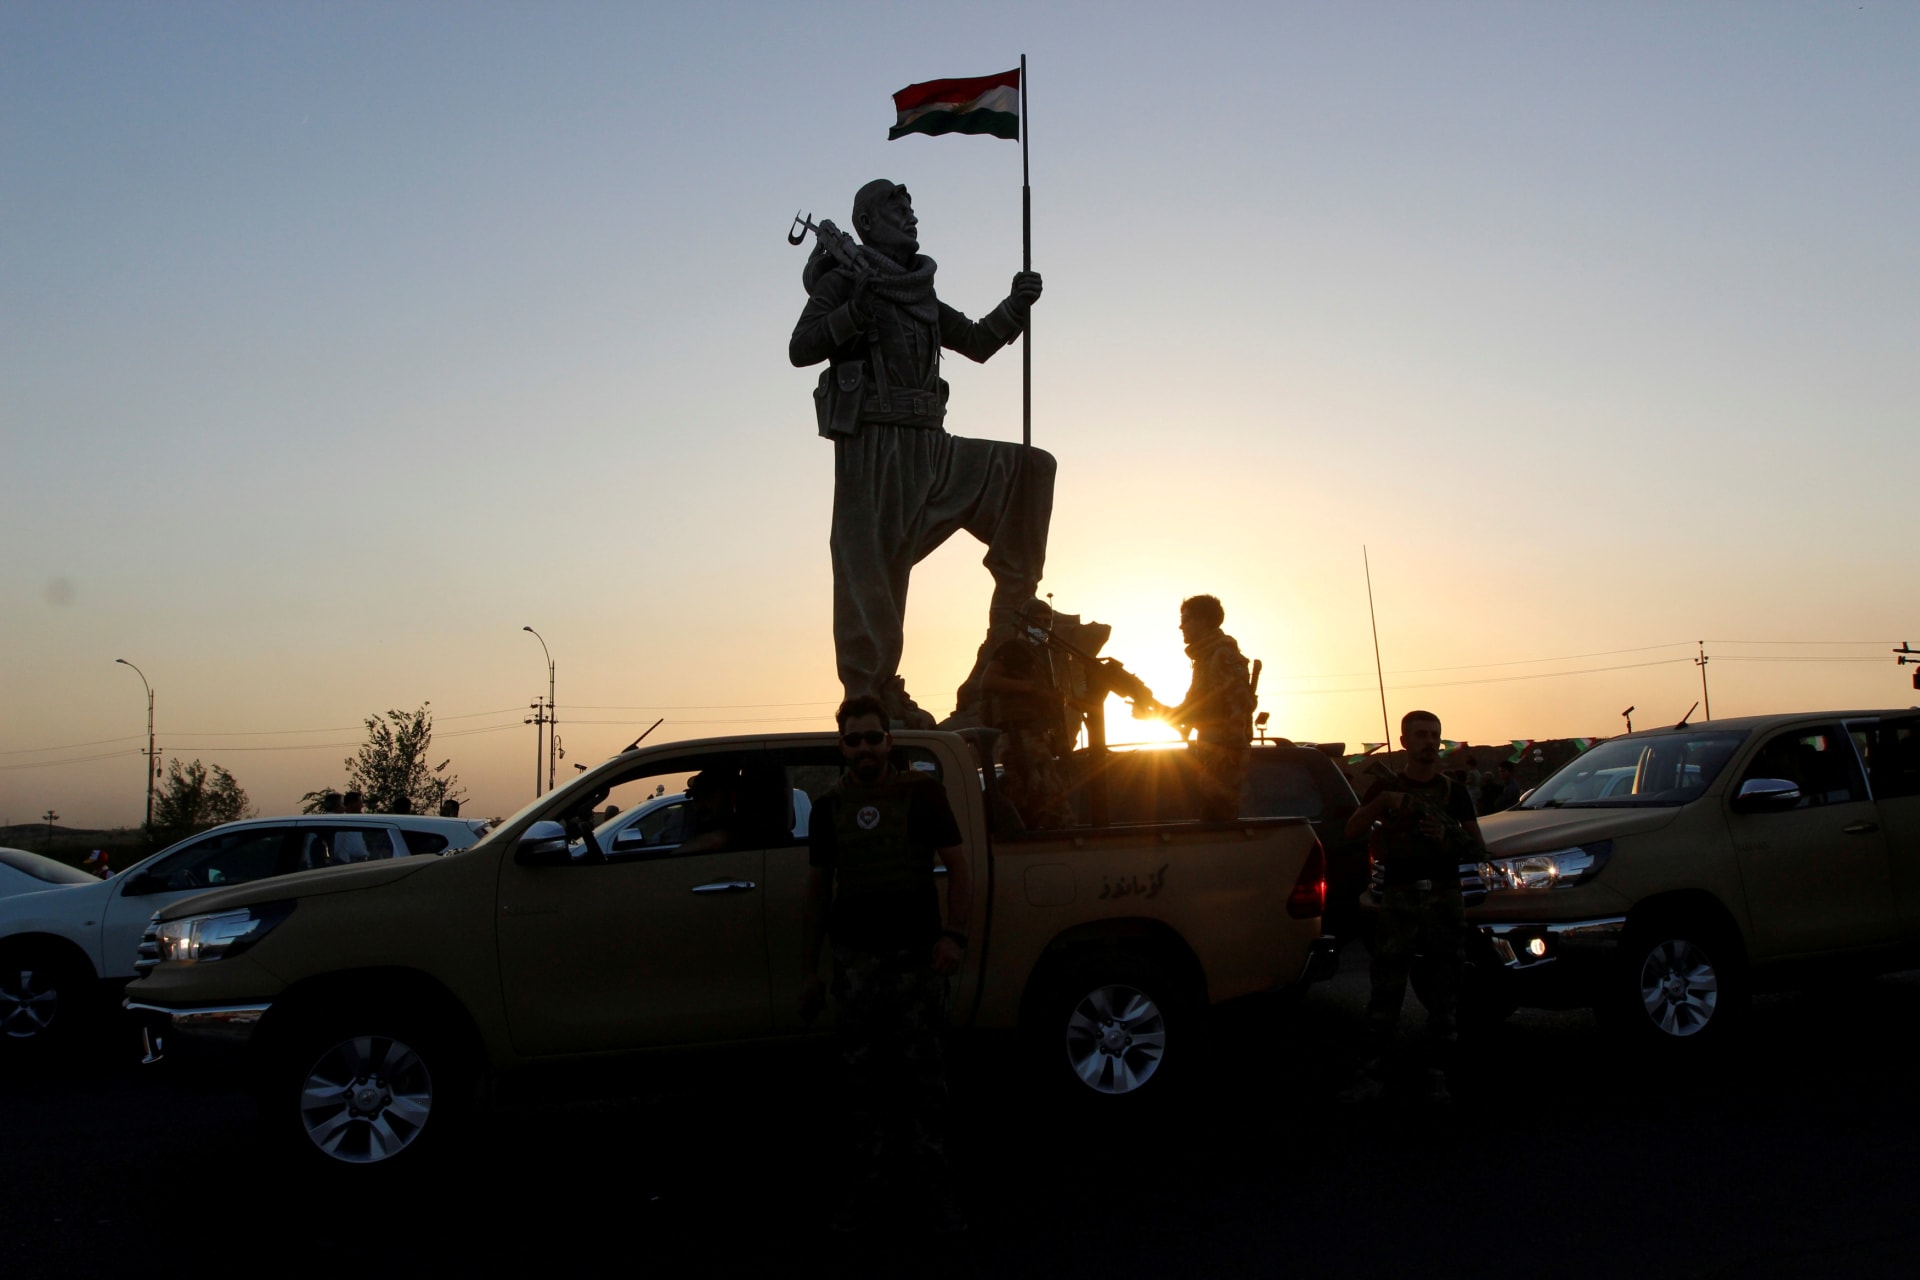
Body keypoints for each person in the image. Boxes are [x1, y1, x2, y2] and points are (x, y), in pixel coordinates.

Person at [790, 179, 1052, 729]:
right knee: (870, 577)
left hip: (932, 447)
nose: (910, 217)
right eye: (896, 209)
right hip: (875, 451)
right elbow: (801, 347)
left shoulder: (920, 293)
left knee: (1027, 473)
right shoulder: (844, 280)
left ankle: (1007, 638)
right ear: (865, 222)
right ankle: (874, 694)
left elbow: (977, 342)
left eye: (911, 209)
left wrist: (1015, 304)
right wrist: (854, 311)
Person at [800, 694, 974, 1233]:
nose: (865, 748)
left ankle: (936, 1190)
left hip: (915, 960)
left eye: (874, 737)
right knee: (862, 1083)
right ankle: (870, 1191)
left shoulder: (922, 795)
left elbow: (960, 870)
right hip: (855, 964)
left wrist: (953, 937)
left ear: (889, 742)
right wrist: (810, 970)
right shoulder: (829, 807)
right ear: (842, 747)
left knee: (924, 1080)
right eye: (854, 740)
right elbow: (816, 891)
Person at [1341, 709, 1487, 1104]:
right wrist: (1382, 804)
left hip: (1444, 896)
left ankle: (1438, 1072)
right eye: (1420, 734)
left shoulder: (1454, 792)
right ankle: (1373, 1072)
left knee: (1445, 989)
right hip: (1400, 895)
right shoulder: (1387, 787)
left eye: (1434, 735)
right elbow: (1351, 830)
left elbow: (1478, 848)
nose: (1428, 741)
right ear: (1404, 742)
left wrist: (1446, 834)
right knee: (1386, 987)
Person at [1156, 595, 1255, 822]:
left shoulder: (1223, 655)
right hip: (1211, 755)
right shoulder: (1205, 659)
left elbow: (1239, 706)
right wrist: (1150, 712)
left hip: (1223, 757)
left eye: (1186, 619)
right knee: (1211, 819)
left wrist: (1231, 755)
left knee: (1219, 822)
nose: (1181, 626)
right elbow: (1190, 710)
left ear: (1204, 621)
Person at [980, 618, 1074, 830]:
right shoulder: (1014, 648)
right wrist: (1033, 689)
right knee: (1051, 800)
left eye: (1046, 620)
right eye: (1036, 619)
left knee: (1029, 798)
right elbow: (988, 681)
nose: (1042, 626)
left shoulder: (1041, 654)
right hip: (1020, 736)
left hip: (1035, 734)